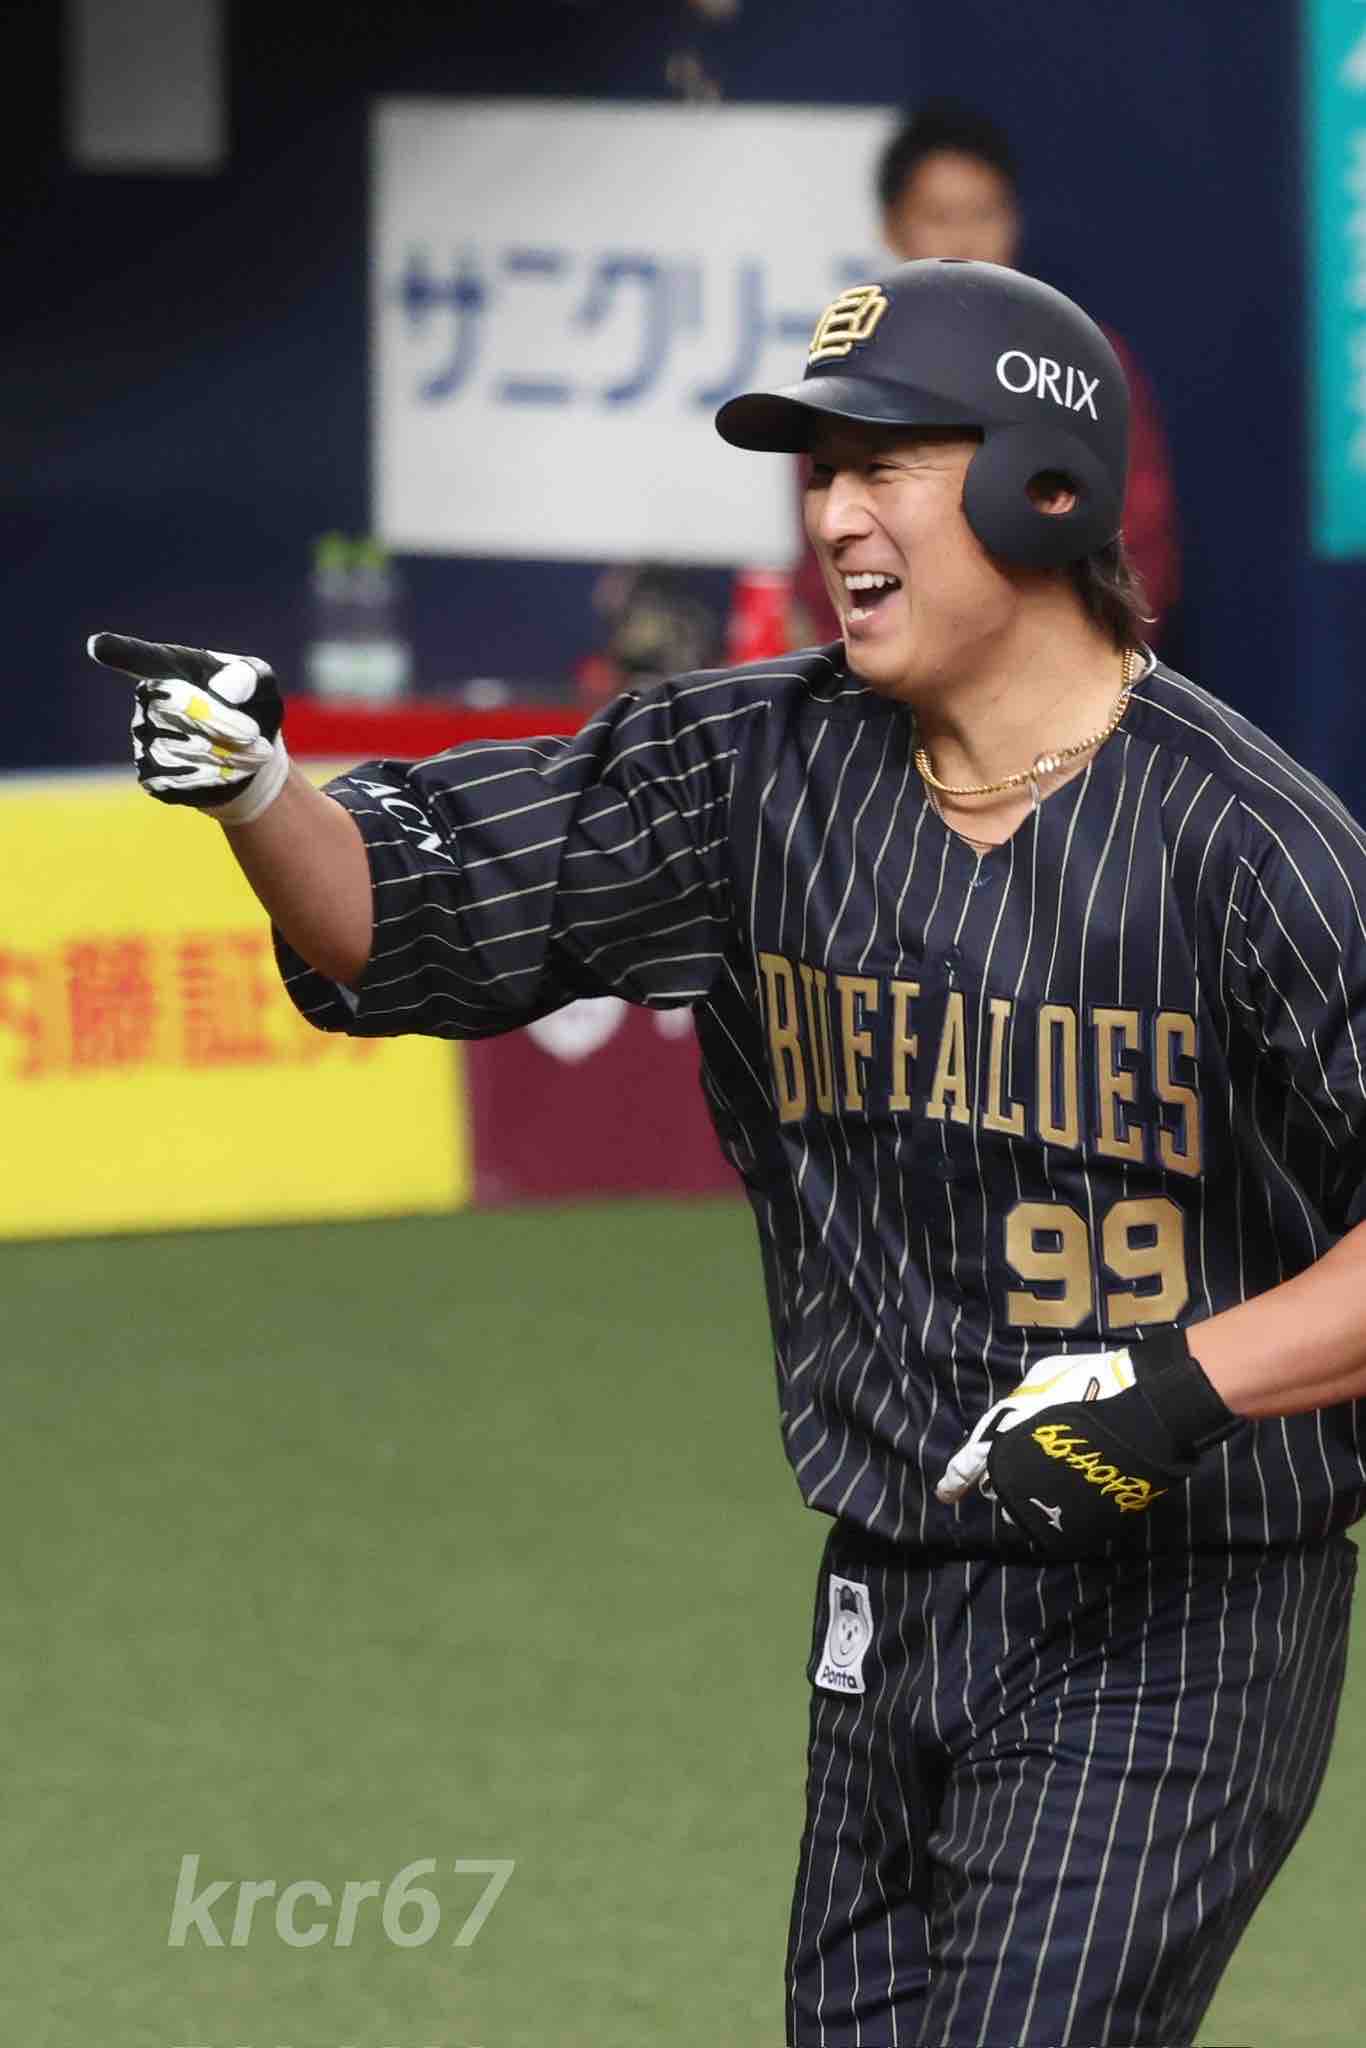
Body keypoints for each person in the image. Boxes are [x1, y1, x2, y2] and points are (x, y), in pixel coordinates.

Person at [89, 257, 1366, 2048]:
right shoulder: (743, 769)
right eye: (816, 472)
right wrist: (256, 793)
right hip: (892, 1585)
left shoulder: (1249, 843)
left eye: (884, 466)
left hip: (1180, 1611)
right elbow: (409, 913)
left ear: (1042, 489)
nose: (832, 515)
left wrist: (1173, 1388)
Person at [793, 101, 1180, 648]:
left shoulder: (1078, 358)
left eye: (985, 214)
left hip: (1059, 666)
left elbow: (1138, 544)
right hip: (891, 668)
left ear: (1015, 219)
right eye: (939, 217)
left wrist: (1078, 664)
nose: (965, 240)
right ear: (892, 229)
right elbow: (824, 562)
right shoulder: (856, 367)